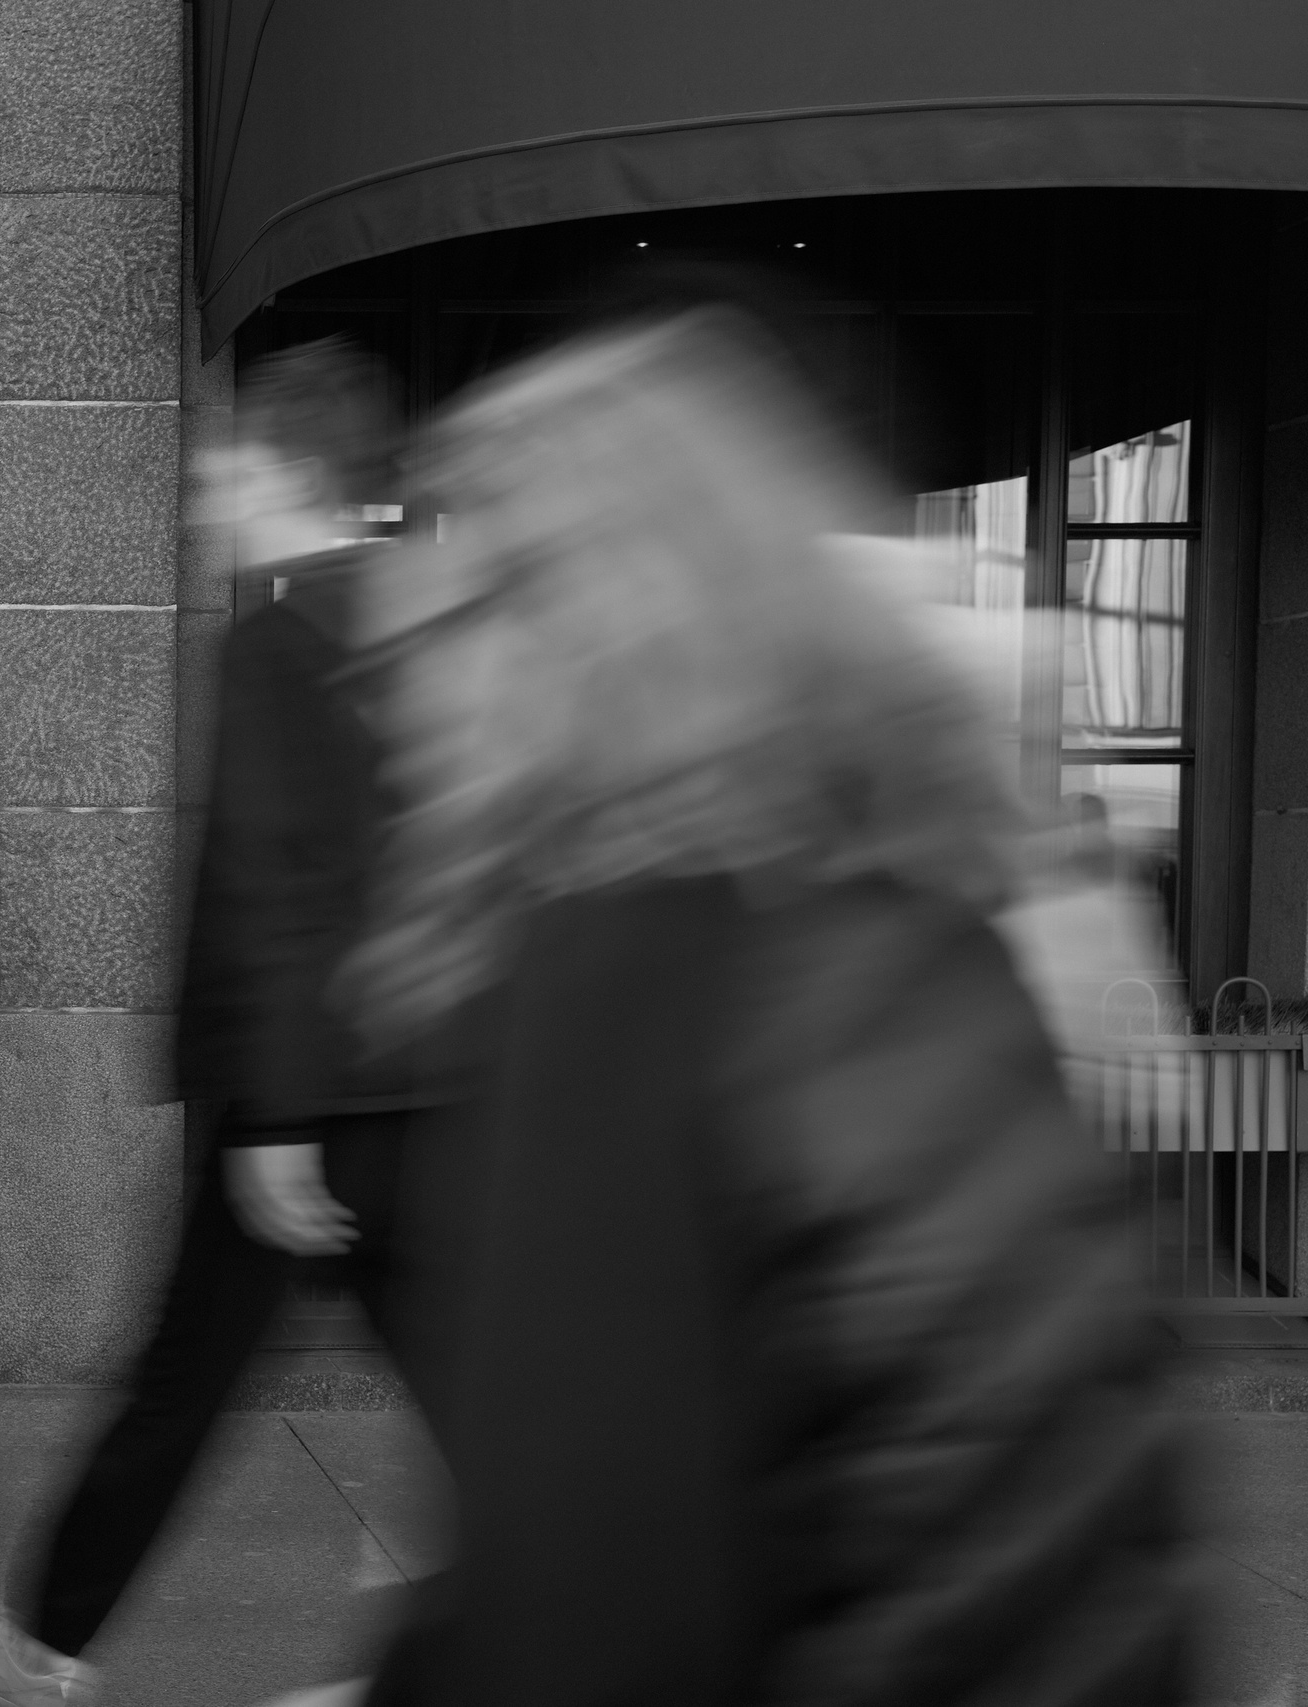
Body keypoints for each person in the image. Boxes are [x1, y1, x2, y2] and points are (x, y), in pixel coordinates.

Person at [335, 313, 1184, 1707]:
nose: (401, 669)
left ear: (610, 607)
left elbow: (595, 1606)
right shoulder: (911, 929)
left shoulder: (628, 973)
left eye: (469, 588)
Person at [0, 338, 420, 1703]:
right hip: (424, 1088)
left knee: (178, 1384)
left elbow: (267, 882)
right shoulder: (421, 631)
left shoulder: (281, 641)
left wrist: (281, 1117)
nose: (207, 489)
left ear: (294, 468)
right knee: (471, 1386)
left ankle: (36, 1643)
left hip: (301, 1099)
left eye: (231, 461)